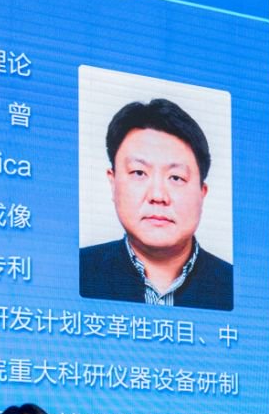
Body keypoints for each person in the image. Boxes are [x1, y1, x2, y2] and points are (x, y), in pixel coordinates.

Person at [79, 97, 234, 310]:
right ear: (113, 183)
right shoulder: (76, 271)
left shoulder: (235, 286)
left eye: (176, 177)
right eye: (139, 173)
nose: (158, 195)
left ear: (202, 193)